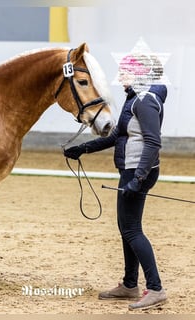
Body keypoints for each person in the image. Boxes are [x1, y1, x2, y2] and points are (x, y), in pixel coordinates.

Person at [64, 53, 167, 311]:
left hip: (137, 171)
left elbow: (153, 142)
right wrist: (83, 149)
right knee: (127, 228)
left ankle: (155, 288)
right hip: (131, 170)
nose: (120, 77)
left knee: (132, 229)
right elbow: (118, 136)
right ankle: (130, 284)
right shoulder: (135, 99)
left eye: (125, 72)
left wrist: (139, 179)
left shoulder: (144, 102)